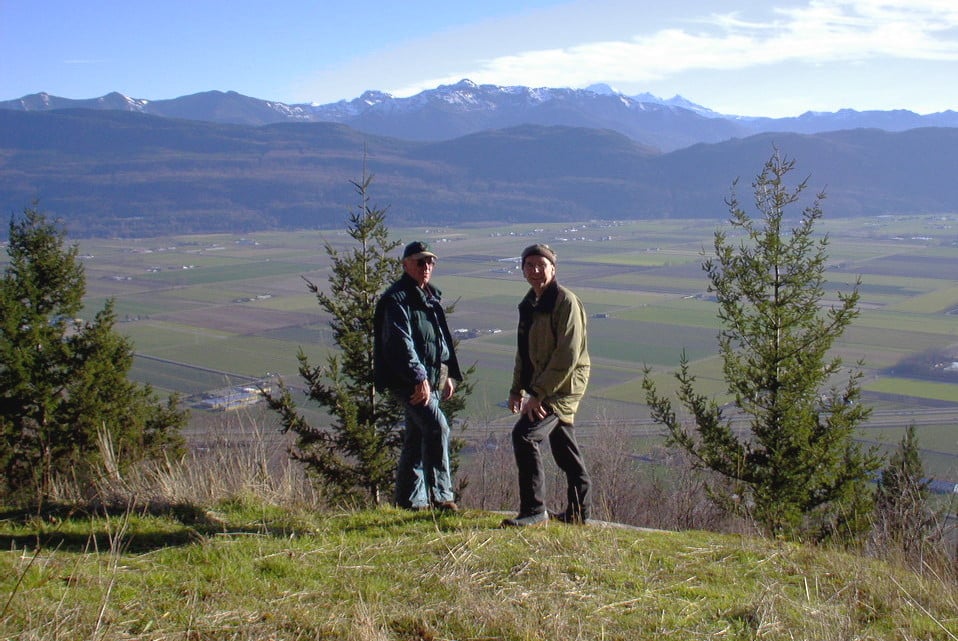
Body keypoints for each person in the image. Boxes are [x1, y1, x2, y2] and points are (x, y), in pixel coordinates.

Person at [502, 243, 592, 527]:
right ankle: (578, 514)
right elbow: (524, 352)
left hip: (564, 385)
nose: (536, 271)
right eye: (530, 266)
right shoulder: (530, 303)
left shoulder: (565, 302)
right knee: (564, 446)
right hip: (546, 383)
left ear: (554, 268)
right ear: (522, 270)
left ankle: (533, 511)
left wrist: (538, 395)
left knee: (525, 436)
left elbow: (568, 355)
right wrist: (517, 388)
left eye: (542, 265)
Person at [374, 240, 463, 512]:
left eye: (430, 262)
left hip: (431, 380)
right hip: (410, 382)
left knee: (417, 438)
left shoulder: (430, 297)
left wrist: (448, 374)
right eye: (420, 261)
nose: (426, 267)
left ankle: (409, 502)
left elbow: (440, 343)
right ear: (405, 264)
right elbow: (401, 345)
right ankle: (441, 497)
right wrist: (419, 378)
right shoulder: (397, 300)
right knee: (437, 427)